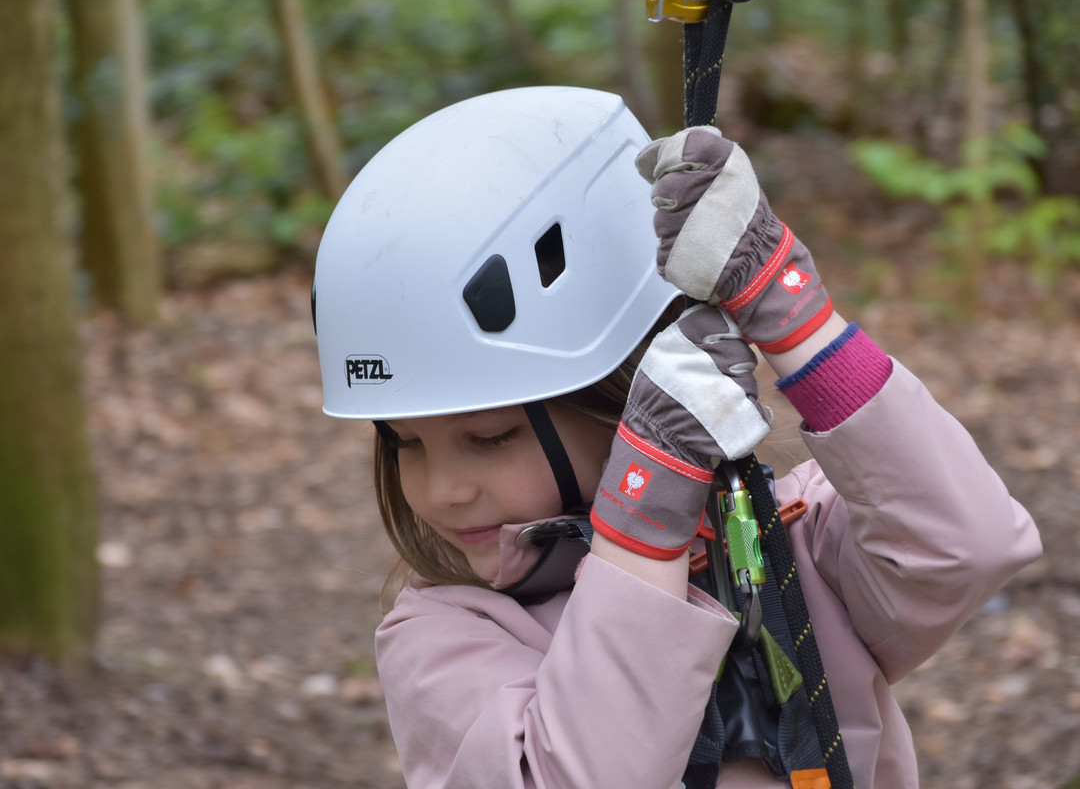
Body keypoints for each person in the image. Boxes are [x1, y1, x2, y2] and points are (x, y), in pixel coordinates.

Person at [310, 86, 1042, 789]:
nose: (441, 490)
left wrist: (788, 309)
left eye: (491, 437)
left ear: (622, 392)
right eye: (404, 443)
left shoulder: (791, 546)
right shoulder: (443, 636)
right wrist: (643, 508)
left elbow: (964, 548)